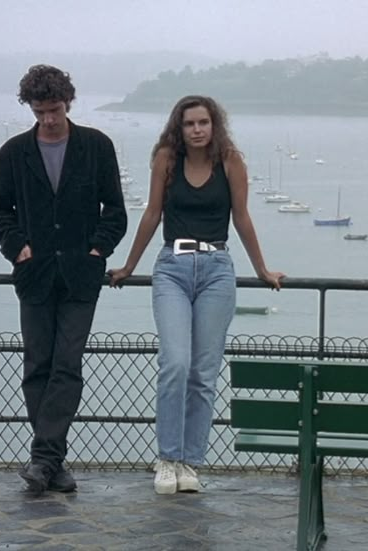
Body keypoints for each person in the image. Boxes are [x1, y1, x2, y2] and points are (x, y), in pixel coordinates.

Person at [107, 95, 285, 495]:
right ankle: (167, 459)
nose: (197, 129)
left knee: (204, 373)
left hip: (218, 270)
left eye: (204, 122)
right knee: (176, 363)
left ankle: (190, 462)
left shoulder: (231, 161)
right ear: (180, 127)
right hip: (172, 267)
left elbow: (241, 218)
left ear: (214, 124)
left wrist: (261, 269)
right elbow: (152, 214)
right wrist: (129, 266)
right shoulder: (167, 160)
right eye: (189, 123)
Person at [0, 64, 127, 495]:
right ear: (30, 107)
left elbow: (116, 211)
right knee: (38, 366)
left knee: (67, 363)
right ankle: (52, 463)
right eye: (40, 111)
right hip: (34, 274)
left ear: (69, 103)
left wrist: (98, 249)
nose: (48, 118)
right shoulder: (12, 153)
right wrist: (18, 248)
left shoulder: (97, 146)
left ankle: (42, 460)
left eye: (56, 109)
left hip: (82, 276)